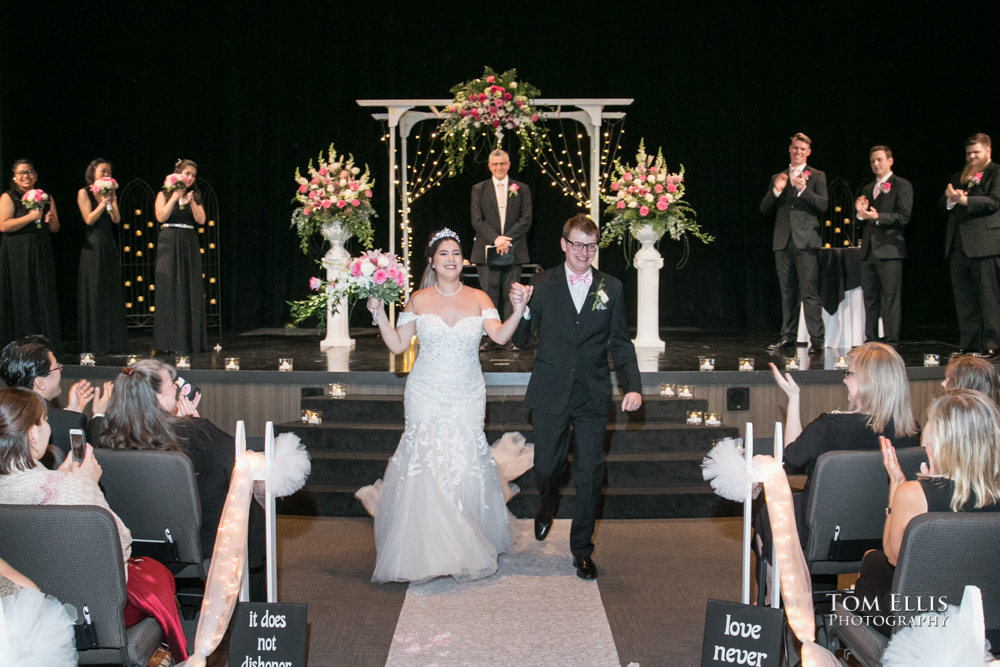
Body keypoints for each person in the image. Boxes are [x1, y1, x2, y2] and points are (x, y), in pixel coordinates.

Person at [360, 228, 532, 584]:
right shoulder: (418, 300)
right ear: (432, 262)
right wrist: (378, 314)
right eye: (444, 254)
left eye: (456, 253)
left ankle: (464, 539)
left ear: (462, 259)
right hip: (425, 390)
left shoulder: (479, 297)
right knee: (427, 460)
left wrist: (519, 310)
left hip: (467, 391)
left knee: (463, 459)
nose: (451, 258)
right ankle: (427, 546)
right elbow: (396, 346)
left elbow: (500, 336)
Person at [0, 386, 188, 660]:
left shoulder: (45, 483)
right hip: (91, 614)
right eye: (45, 420)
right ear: (32, 434)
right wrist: (87, 485)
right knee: (152, 572)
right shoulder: (71, 487)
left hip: (21, 610)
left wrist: (62, 478)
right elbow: (121, 544)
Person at [511, 214, 642, 580]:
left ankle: (581, 550)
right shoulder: (541, 284)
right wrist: (520, 309)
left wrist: (632, 385)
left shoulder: (611, 287)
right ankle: (549, 497)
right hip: (551, 391)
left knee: (590, 474)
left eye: (591, 245)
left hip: (592, 394)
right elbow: (522, 341)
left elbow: (620, 343)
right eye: (578, 244)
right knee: (546, 468)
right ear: (564, 244)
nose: (585, 252)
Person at [97, 359, 265, 598]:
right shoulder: (196, 433)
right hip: (191, 546)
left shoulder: (105, 438)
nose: (178, 387)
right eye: (172, 384)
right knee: (250, 509)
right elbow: (239, 464)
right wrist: (195, 424)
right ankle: (255, 602)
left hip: (131, 543)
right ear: (156, 399)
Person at [853, 389, 1000, 636]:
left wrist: (896, 486)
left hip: (922, 621)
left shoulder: (913, 494)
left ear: (944, 441)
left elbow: (893, 556)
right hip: (989, 621)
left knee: (873, 559)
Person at [766, 342, 920, 545]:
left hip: (824, 537)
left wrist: (793, 398)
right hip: (885, 534)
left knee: (766, 509)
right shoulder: (912, 431)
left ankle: (785, 576)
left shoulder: (829, 426)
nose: (844, 380)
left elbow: (793, 455)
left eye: (849, 373)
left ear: (868, 381)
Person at [760, 133, 829, 353]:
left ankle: (816, 340)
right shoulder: (778, 176)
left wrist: (803, 190)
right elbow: (764, 209)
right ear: (790, 149)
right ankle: (787, 336)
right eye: (795, 148)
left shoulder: (817, 176)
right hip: (782, 241)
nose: (798, 152)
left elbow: (823, 205)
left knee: (809, 291)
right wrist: (777, 190)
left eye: (802, 149)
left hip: (806, 241)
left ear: (808, 152)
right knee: (787, 291)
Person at [0, 335, 110, 460]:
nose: (60, 371)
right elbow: (91, 461)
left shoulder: (5, 415)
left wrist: (70, 414)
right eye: (57, 367)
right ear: (40, 382)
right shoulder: (62, 422)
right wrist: (99, 415)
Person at [942, 133, 1000, 357]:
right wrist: (950, 200)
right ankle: (970, 343)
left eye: (976, 152)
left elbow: (995, 201)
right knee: (964, 298)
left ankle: (992, 343)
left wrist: (966, 200)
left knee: (989, 297)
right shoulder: (960, 176)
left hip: (985, 245)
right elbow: (944, 202)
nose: (972, 156)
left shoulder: (996, 172)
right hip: (959, 244)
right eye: (969, 153)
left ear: (988, 151)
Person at [470, 149, 532, 348]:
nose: (499, 167)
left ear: (509, 164)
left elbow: (526, 219)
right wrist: (496, 239)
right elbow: (477, 220)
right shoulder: (479, 189)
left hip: (514, 249)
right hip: (487, 248)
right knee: (489, 295)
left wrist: (506, 239)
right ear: (489, 166)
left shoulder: (521, 188)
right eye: (495, 164)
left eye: (502, 163)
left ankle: (510, 337)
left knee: (511, 294)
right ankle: (490, 337)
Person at [0, 159, 62, 352]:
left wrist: (50, 220)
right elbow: (4, 225)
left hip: (40, 250)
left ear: (35, 175)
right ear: (14, 177)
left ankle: (43, 345)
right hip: (17, 252)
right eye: (21, 173)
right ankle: (22, 346)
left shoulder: (46, 197)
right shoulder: (9, 197)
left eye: (29, 172)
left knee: (41, 293)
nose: (25, 176)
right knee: (22, 295)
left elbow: (55, 227)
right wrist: (30, 217)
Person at [855, 146, 912, 348]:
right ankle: (870, 340)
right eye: (872, 161)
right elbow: (863, 220)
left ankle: (891, 342)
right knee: (869, 298)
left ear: (890, 161)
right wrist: (860, 214)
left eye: (879, 160)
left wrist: (878, 217)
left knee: (890, 298)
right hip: (869, 251)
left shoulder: (901, 185)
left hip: (890, 250)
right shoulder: (868, 188)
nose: (876, 164)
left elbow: (904, 216)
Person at [153, 159, 207, 354]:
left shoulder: (195, 195)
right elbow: (161, 216)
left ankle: (189, 341)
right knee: (169, 289)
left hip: (188, 241)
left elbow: (201, 220)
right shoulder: (164, 193)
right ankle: (167, 342)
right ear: (178, 173)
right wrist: (175, 197)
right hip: (170, 238)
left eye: (193, 175)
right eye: (187, 173)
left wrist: (191, 200)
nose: (190, 178)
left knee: (189, 287)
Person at [77, 158, 129, 355]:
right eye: (103, 171)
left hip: (108, 243)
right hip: (93, 244)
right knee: (95, 290)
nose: (106, 175)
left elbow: (117, 219)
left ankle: (113, 342)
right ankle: (95, 343)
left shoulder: (111, 193)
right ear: (93, 173)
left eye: (109, 172)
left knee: (110, 290)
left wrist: (112, 202)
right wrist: (102, 203)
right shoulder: (85, 192)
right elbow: (89, 219)